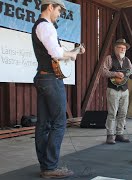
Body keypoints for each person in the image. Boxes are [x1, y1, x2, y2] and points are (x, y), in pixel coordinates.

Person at [31, 0, 85, 178]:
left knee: (44, 124)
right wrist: (72, 54)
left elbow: (55, 51)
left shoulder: (41, 26)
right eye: (59, 10)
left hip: (43, 77)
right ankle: (51, 167)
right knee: (59, 122)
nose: (59, 14)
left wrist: (72, 52)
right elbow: (56, 53)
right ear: (50, 7)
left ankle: (46, 166)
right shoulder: (46, 27)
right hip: (50, 80)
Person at [103, 39, 132, 144]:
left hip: (124, 90)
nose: (123, 49)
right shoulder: (109, 58)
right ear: (115, 48)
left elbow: (131, 75)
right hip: (113, 90)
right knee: (112, 113)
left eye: (124, 48)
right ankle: (110, 135)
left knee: (123, 113)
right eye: (120, 47)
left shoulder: (127, 61)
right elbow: (103, 72)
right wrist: (115, 74)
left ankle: (119, 134)